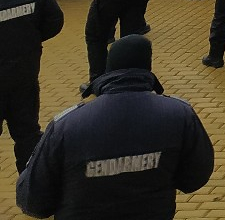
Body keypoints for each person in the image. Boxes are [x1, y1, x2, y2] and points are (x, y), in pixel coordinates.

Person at [17, 35, 214, 220]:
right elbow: (195, 176)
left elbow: (33, 200)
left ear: (109, 68)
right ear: (147, 67)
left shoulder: (67, 125)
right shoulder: (180, 114)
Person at [0, 0, 63, 172]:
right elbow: (55, 22)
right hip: (24, 75)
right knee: (27, 134)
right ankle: (31, 187)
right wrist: (29, 40)